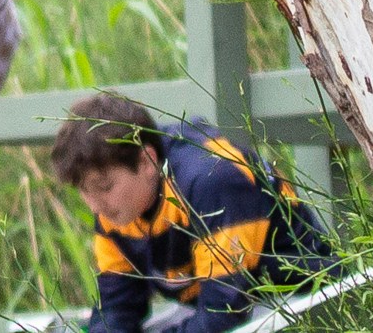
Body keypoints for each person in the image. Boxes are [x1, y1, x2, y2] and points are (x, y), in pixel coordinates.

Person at [46, 91, 334, 332]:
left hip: (299, 303)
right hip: (219, 308)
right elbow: (116, 307)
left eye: (105, 187)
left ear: (146, 161)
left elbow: (224, 312)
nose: (95, 206)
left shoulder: (212, 180)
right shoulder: (118, 208)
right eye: (84, 190)